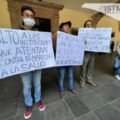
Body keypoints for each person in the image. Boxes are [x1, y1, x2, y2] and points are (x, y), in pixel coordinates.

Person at [19, 6, 45, 119]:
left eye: (31, 16)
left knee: (37, 83)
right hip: (23, 66)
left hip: (37, 65)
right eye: (26, 15)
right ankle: (29, 105)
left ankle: (38, 100)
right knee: (26, 86)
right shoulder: (14, 33)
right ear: (22, 17)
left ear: (34, 19)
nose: (29, 18)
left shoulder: (39, 34)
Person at [53, 21, 78, 98]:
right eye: (65, 26)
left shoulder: (71, 37)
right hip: (61, 61)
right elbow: (53, 48)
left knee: (70, 75)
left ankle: (71, 88)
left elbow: (75, 46)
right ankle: (61, 90)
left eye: (68, 26)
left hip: (69, 61)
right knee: (61, 76)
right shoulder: (56, 35)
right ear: (61, 28)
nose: (67, 27)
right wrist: (54, 39)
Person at [79, 20, 96, 88]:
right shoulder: (82, 33)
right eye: (87, 24)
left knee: (91, 67)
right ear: (84, 26)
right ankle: (82, 81)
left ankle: (89, 80)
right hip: (85, 52)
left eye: (90, 24)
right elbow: (78, 42)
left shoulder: (95, 33)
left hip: (92, 52)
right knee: (83, 67)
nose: (89, 25)